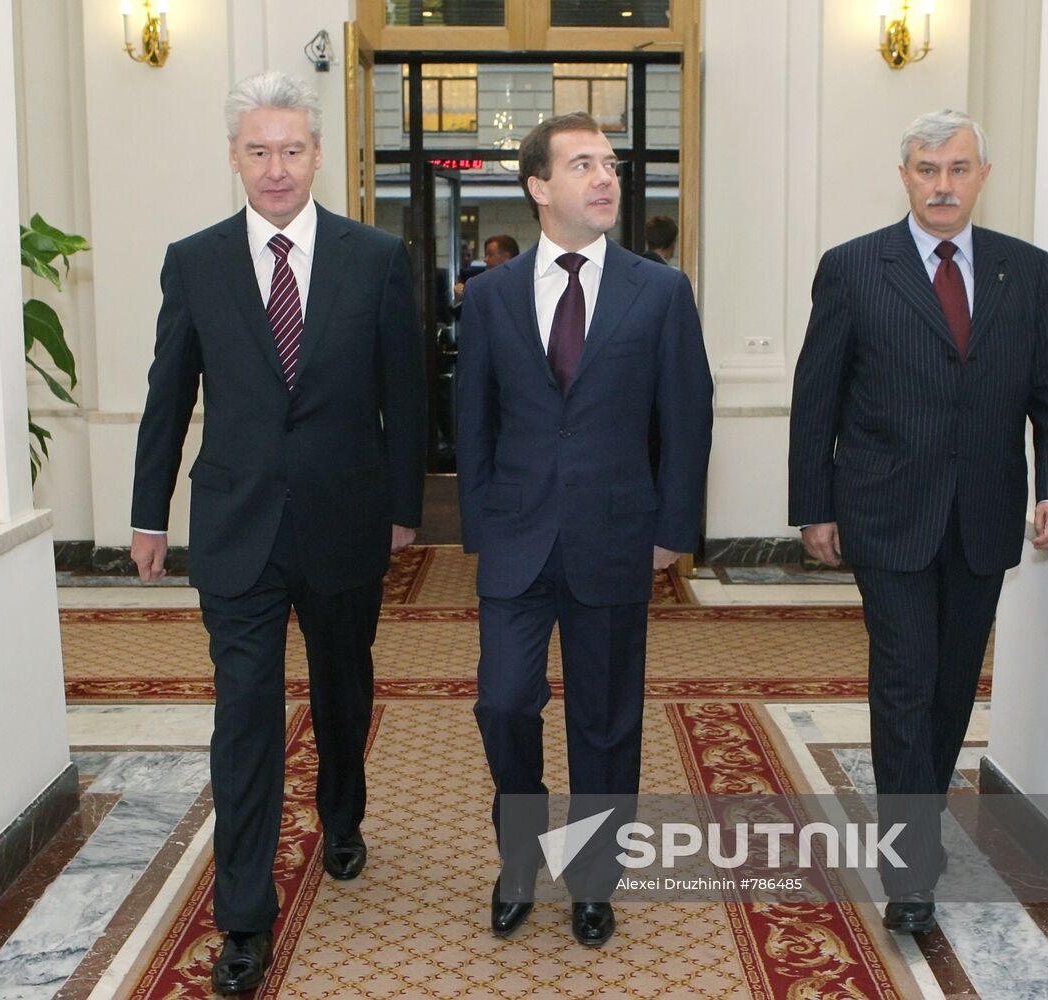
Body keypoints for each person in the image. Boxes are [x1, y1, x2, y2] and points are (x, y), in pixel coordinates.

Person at [129, 71, 425, 994]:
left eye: (291, 150)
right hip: (237, 528)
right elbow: (168, 393)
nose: (276, 168)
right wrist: (147, 514)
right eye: (258, 151)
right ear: (233, 158)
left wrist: (403, 509)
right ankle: (244, 917)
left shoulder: (375, 257)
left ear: (316, 155)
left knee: (342, 692)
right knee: (244, 718)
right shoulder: (195, 261)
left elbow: (406, 395)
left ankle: (343, 814)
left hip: (345, 521)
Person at [788, 109, 1048, 934]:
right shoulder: (853, 267)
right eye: (926, 169)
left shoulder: (1026, 271)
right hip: (886, 513)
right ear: (904, 177)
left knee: (954, 685)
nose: (941, 185)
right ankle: (910, 864)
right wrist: (813, 505)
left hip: (983, 515)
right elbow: (817, 396)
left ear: (982, 176)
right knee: (904, 677)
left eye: (956, 168)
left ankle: (917, 815)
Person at [457, 111, 713, 947]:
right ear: (538, 185)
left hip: (615, 536)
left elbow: (686, 417)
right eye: (582, 165)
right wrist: (479, 527)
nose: (605, 178)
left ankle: (594, 880)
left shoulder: (659, 291)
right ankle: (520, 855)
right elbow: (473, 421)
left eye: (609, 164)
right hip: (517, 539)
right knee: (502, 703)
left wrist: (672, 529)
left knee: (604, 721)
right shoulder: (490, 295)